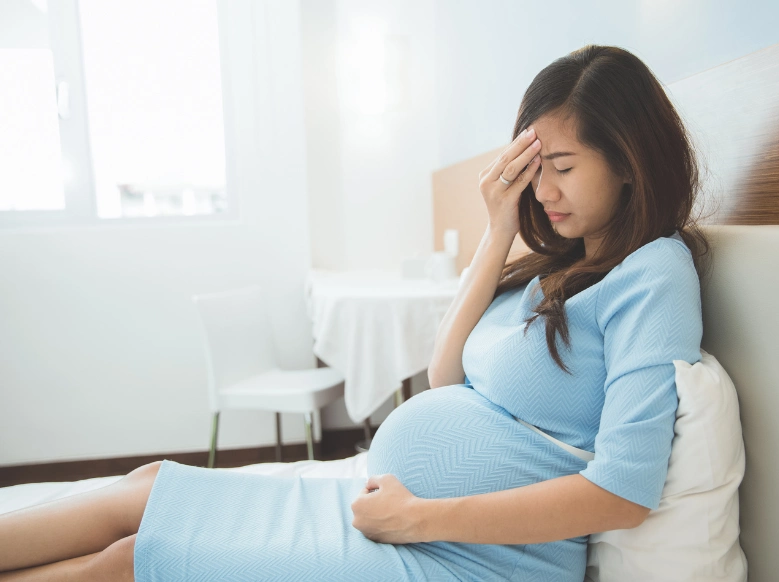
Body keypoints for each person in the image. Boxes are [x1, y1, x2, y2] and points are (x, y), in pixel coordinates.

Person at [0, 44, 707, 581]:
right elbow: (443, 373)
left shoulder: (653, 273)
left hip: (468, 559)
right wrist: (497, 230)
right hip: (401, 519)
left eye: (562, 165)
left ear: (627, 160)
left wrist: (421, 517)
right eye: (531, 167)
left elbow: (623, 492)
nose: (542, 189)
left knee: (133, 559)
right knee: (149, 484)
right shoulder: (561, 266)